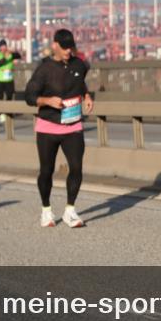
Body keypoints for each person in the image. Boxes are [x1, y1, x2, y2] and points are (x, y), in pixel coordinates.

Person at [25, 29, 93, 228]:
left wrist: (87, 96)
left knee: (77, 167)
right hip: (48, 126)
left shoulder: (79, 64)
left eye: (70, 46)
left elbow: (80, 82)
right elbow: (29, 96)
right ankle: (46, 210)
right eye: (64, 47)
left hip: (73, 126)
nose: (68, 51)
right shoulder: (44, 69)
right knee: (47, 170)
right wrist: (47, 100)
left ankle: (70, 211)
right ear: (54, 45)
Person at [0, 40, 21, 122]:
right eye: (2, 46)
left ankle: (8, 112)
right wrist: (6, 56)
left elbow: (18, 56)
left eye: (4, 46)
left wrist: (13, 51)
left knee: (9, 96)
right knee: (0, 97)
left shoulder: (10, 54)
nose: (3, 48)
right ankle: (1, 113)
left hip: (9, 79)